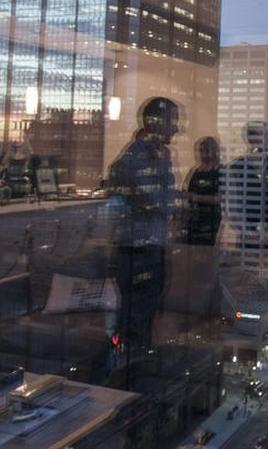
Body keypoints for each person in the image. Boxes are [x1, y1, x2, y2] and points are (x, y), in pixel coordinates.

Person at [106, 97, 179, 376]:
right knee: (136, 323)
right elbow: (159, 202)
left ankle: (134, 379)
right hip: (139, 251)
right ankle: (129, 381)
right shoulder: (140, 156)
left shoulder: (155, 155)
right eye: (172, 120)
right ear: (155, 122)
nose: (176, 127)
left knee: (141, 319)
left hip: (146, 247)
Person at [182, 136, 222, 246]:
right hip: (194, 221)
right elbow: (187, 191)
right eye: (201, 150)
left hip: (211, 222)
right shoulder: (194, 171)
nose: (203, 154)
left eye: (206, 150)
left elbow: (219, 199)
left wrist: (194, 198)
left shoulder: (220, 171)